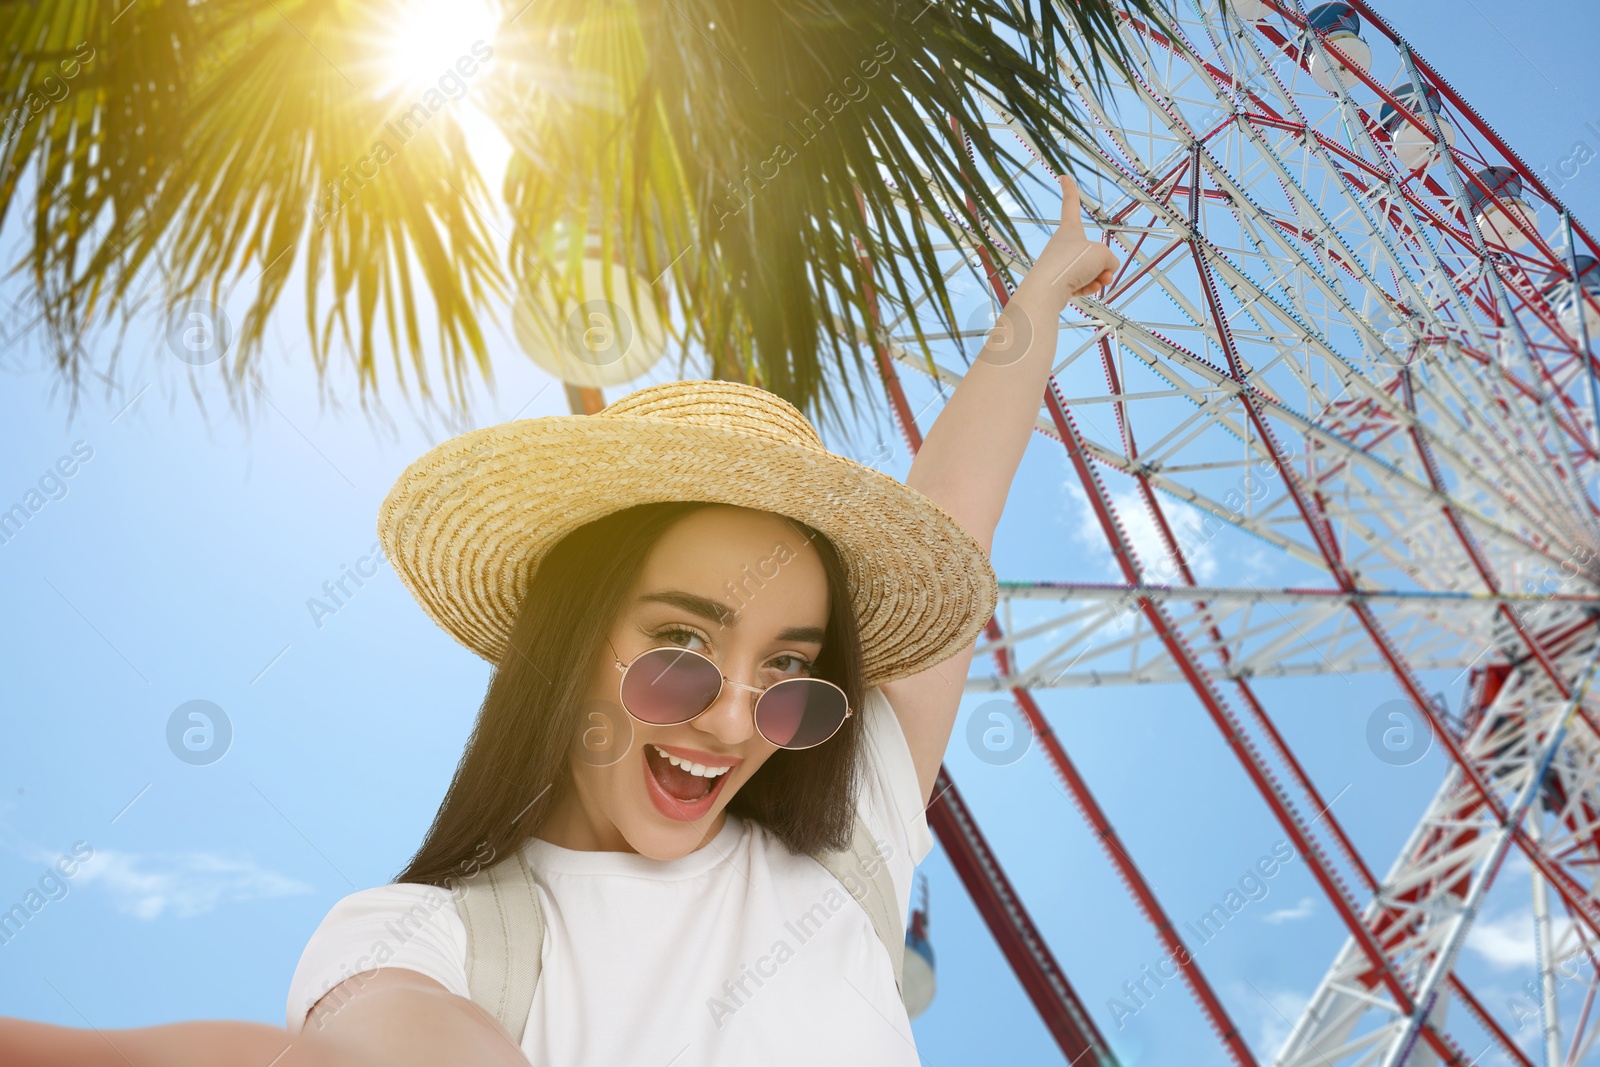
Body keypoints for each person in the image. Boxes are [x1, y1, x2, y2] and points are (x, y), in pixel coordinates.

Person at [0, 173, 1116, 1067]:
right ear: (570, 642)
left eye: (787, 672)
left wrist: (1041, 299)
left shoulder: (848, 840)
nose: (733, 720)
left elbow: (954, 516)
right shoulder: (436, 933)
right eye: (680, 646)